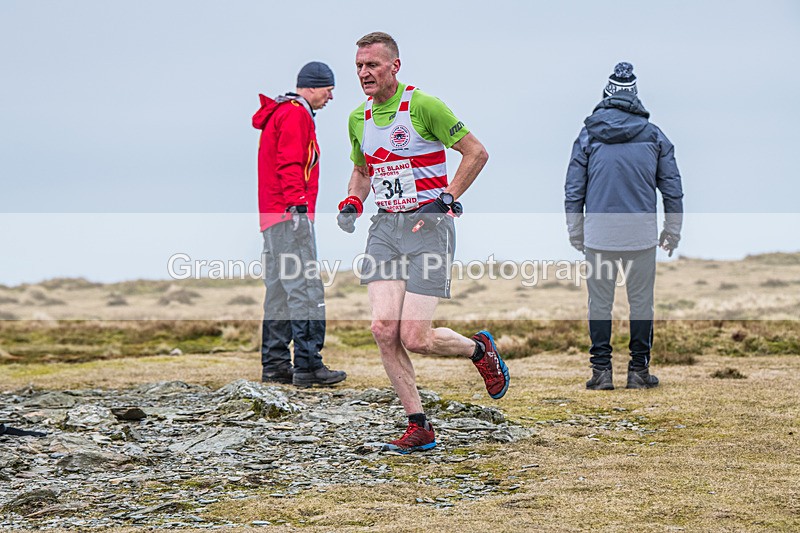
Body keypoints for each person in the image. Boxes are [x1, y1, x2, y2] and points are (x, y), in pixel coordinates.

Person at [336, 32, 509, 453]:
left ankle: (478, 349)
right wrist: (353, 201)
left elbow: (476, 152)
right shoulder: (358, 118)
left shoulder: (423, 106)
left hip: (428, 230)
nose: (364, 73)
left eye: (372, 65)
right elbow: (363, 169)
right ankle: (419, 426)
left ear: (395, 66)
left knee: (415, 336)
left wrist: (447, 198)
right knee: (382, 329)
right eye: (359, 66)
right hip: (385, 229)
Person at [564, 62, 684, 391]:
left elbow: (574, 188)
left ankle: (601, 373)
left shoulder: (587, 135)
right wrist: (672, 231)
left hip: (599, 236)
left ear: (607, 94)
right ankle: (638, 372)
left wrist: (576, 231)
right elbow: (672, 188)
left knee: (599, 304)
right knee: (642, 303)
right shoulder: (655, 135)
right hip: (641, 237)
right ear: (635, 96)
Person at [252, 61, 346, 388]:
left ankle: (275, 364)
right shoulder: (296, 113)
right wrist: (298, 208)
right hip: (290, 214)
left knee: (278, 290)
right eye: (328, 89)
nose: (331, 96)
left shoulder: (280, 112)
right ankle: (308, 365)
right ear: (312, 86)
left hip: (272, 218)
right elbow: (291, 163)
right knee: (305, 288)